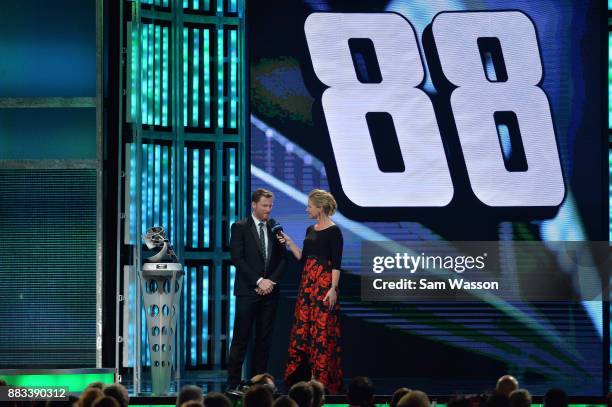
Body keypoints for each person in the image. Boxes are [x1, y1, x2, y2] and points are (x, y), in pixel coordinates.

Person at [278, 189, 343, 393]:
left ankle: (321, 381)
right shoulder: (310, 229)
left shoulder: (334, 231)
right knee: (305, 332)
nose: (307, 209)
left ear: (320, 208)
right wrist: (289, 242)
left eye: (310, 206)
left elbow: (336, 264)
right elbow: (303, 257)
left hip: (323, 286)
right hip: (307, 287)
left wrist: (333, 288)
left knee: (321, 332)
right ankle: (306, 379)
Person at [227, 188, 287, 389]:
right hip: (247, 291)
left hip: (270, 293)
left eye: (270, 206)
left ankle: (258, 384)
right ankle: (233, 384)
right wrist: (259, 281)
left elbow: (282, 260)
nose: (268, 210)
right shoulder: (240, 227)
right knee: (241, 339)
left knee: (264, 340)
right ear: (254, 205)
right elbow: (237, 258)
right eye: (264, 206)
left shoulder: (275, 228)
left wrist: (270, 282)